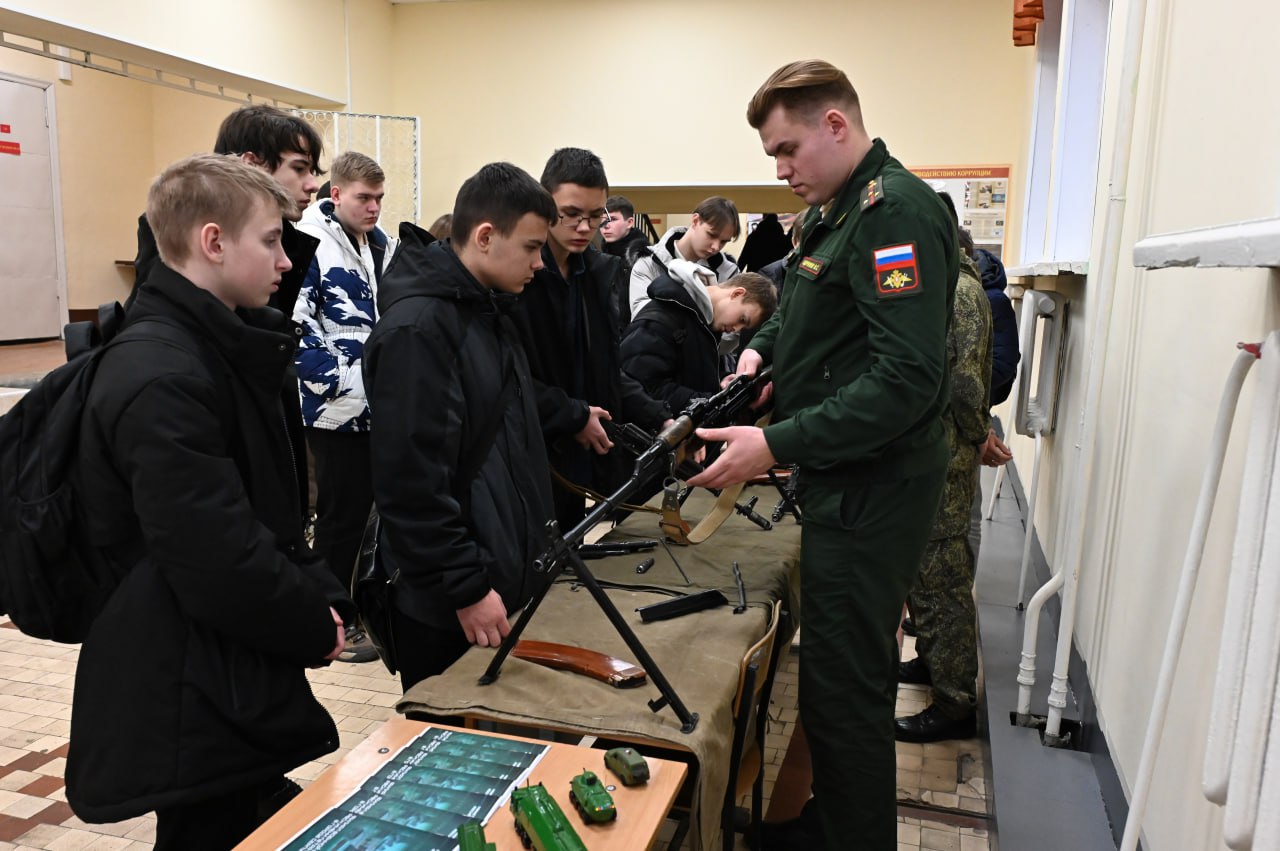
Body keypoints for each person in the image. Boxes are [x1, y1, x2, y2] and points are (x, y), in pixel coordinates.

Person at [688, 60, 959, 849]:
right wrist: (759, 357)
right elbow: (807, 309)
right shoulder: (840, 213)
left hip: (873, 487)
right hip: (851, 480)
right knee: (835, 682)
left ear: (835, 125)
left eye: (787, 149)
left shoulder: (891, 211)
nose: (779, 170)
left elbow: (906, 380)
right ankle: (830, 822)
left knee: (849, 692)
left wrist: (773, 442)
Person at [66, 154, 353, 851]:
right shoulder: (161, 371)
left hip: (214, 662)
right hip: (185, 677)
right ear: (214, 242)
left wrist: (316, 587)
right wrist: (310, 620)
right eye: (271, 240)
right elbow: (213, 550)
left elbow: (266, 510)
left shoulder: (217, 345)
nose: (287, 262)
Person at [364, 162, 557, 691]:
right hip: (447, 604)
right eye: (532, 247)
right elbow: (411, 482)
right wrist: (465, 588)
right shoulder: (419, 331)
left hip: (495, 580)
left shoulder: (487, 313)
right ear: (486, 236)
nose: (540, 264)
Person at [128, 104, 326, 524]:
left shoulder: (265, 270)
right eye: (300, 168)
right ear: (250, 165)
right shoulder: (167, 361)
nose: (312, 185)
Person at [510, 147, 670, 531]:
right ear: (545, 204)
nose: (584, 227)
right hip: (523, 458)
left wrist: (661, 417)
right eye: (571, 215)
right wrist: (572, 414)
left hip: (574, 460)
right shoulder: (516, 275)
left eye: (596, 216)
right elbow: (504, 379)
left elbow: (604, 370)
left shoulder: (598, 273)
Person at [294, 151, 398, 663]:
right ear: (336, 194)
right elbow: (296, 327)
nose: (374, 206)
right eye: (364, 197)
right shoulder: (311, 243)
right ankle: (332, 619)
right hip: (334, 410)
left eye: (379, 197)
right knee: (340, 520)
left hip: (375, 406)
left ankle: (359, 609)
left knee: (368, 518)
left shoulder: (377, 245)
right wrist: (344, 383)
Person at [896, 200, 993, 743]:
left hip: (950, 458)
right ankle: (933, 665)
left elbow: (965, 385)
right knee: (927, 575)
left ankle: (955, 704)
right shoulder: (951, 286)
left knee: (943, 582)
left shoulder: (958, 294)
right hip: (938, 454)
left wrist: (979, 436)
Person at [621, 267, 777, 412]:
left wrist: (720, 380)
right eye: (742, 319)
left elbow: (686, 369)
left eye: (743, 327)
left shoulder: (703, 321)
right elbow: (645, 387)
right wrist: (711, 401)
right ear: (737, 294)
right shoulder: (662, 320)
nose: (736, 329)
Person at [627, 195, 741, 319]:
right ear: (695, 221)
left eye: (724, 241)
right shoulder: (648, 263)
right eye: (711, 235)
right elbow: (644, 319)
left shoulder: (728, 273)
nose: (716, 247)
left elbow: (730, 331)